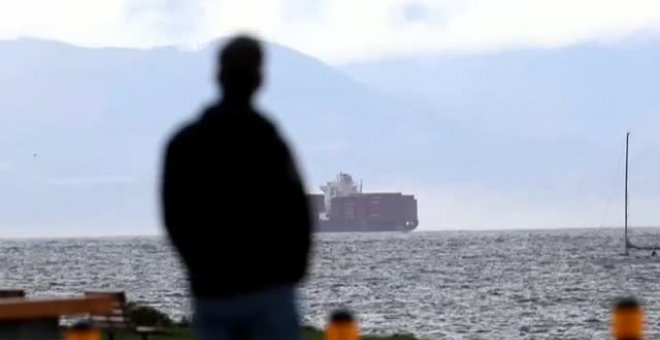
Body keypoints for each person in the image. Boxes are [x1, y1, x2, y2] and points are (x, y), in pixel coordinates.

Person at [161, 35, 312, 340]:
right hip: (270, 288)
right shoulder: (270, 142)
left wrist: (198, 267)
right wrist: (293, 272)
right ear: (259, 79)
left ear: (217, 75)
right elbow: (297, 212)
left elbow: (174, 215)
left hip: (212, 290)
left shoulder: (185, 143)